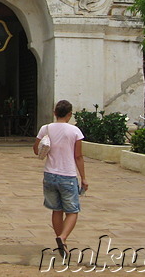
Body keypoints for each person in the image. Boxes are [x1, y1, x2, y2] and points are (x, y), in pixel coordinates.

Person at [33, 100, 88, 258]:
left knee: (56, 210)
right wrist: (84, 178)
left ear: (55, 112)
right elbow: (78, 156)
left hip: (50, 174)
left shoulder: (46, 128)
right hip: (68, 175)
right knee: (72, 211)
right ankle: (63, 238)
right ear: (70, 114)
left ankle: (61, 244)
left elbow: (36, 150)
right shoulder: (75, 131)